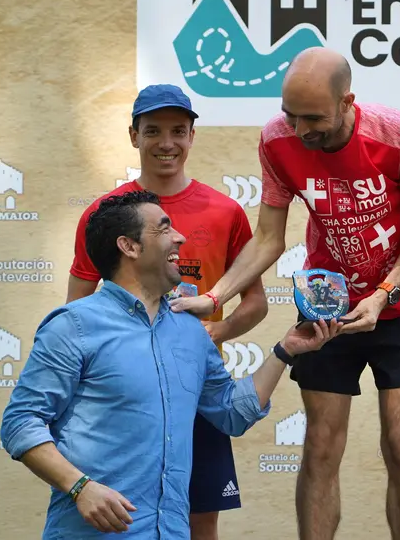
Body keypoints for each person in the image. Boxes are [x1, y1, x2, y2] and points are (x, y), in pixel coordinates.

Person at [171, 47, 400, 540]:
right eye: (290, 115)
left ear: (348, 101)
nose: (299, 130)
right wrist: (215, 297)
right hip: (326, 302)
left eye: (313, 118)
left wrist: (384, 292)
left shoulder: (397, 135)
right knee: (320, 442)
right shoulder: (277, 140)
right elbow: (270, 238)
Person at [0, 190, 342, 539]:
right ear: (129, 246)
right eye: (164, 229)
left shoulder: (190, 329)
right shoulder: (73, 325)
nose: (179, 237)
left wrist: (285, 351)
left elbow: (231, 413)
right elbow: (20, 422)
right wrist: (80, 487)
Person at [66, 84, 268, 540]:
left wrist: (205, 340)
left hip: (196, 389)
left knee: (200, 520)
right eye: (153, 130)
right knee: (119, 512)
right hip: (126, 392)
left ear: (193, 136)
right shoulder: (105, 213)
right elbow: (76, 309)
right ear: (134, 135)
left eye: (179, 130)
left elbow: (255, 304)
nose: (166, 142)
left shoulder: (226, 211)